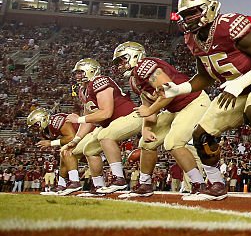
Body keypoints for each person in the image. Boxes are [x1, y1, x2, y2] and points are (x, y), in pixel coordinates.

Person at [161, 0, 251, 203]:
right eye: (186, 14)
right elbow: (205, 76)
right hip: (236, 89)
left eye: (193, 12)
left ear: (211, 7)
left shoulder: (228, 25)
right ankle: (216, 184)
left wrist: (240, 82)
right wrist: (180, 89)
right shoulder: (192, 38)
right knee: (201, 135)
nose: (189, 18)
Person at [115, 42, 210, 199]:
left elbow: (169, 90)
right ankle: (145, 184)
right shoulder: (134, 80)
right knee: (146, 143)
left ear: (134, 56)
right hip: (174, 109)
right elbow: (147, 106)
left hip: (193, 101)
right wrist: (146, 129)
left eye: (122, 60)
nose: (120, 66)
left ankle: (199, 185)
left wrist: (151, 110)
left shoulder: (144, 66)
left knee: (173, 142)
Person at [62, 57, 142, 196]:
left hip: (130, 116)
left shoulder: (99, 81)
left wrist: (79, 118)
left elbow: (106, 112)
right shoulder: (83, 90)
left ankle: (120, 179)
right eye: (76, 73)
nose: (77, 76)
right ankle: (99, 186)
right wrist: (76, 139)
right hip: (111, 124)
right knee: (89, 149)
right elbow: (88, 120)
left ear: (91, 70)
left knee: (105, 136)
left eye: (81, 72)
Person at [28, 108, 78, 194]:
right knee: (63, 154)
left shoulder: (56, 120)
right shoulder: (46, 130)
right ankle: (62, 184)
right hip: (78, 139)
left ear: (43, 119)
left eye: (36, 125)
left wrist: (51, 143)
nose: (35, 129)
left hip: (86, 135)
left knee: (66, 151)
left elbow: (71, 137)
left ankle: (75, 181)